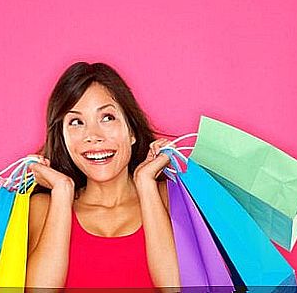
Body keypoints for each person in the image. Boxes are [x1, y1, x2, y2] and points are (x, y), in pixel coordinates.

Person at [25, 62, 181, 289]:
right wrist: (62, 191)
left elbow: (177, 287)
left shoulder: (172, 198)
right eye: (76, 122)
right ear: (64, 139)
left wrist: (146, 184)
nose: (93, 136)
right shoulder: (43, 206)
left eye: (107, 117)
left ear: (132, 132)